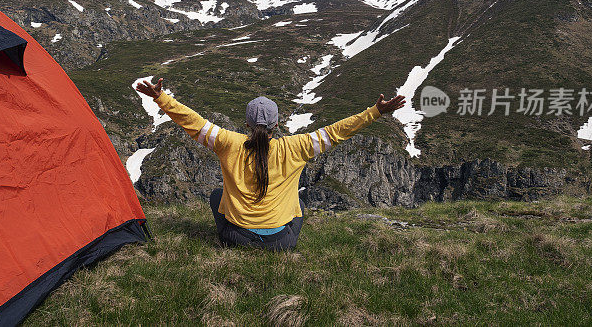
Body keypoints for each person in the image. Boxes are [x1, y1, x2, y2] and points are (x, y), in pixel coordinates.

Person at [135, 78, 405, 251]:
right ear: (277, 124)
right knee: (298, 205)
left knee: (217, 195)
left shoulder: (228, 143)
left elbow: (193, 123)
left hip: (237, 239)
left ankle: (229, 239)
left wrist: (162, 98)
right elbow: (335, 132)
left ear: (247, 125)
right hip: (282, 243)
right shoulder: (295, 147)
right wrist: (375, 112)